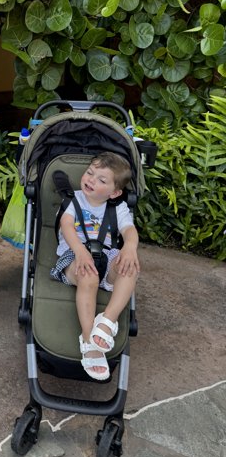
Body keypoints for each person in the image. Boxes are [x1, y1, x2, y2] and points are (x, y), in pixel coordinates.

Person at [50, 151, 139, 381]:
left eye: (102, 180)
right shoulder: (73, 199)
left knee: (130, 267)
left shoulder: (117, 208)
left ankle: (108, 320)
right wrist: (80, 251)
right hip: (73, 256)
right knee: (88, 278)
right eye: (90, 173)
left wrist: (129, 247)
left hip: (106, 256)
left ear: (115, 192)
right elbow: (67, 225)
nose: (91, 179)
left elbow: (129, 231)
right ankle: (90, 340)